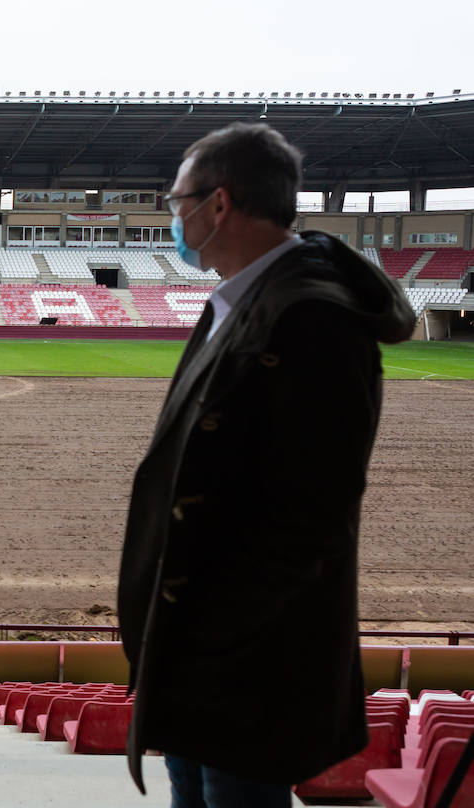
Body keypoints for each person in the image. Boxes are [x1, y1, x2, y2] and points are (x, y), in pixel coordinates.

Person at [117, 122, 415, 807]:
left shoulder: (312, 318)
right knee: (192, 790)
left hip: (243, 661)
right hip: (196, 649)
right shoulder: (245, 300)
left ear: (218, 204)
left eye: (176, 202)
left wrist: (217, 633)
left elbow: (312, 514)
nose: (173, 217)